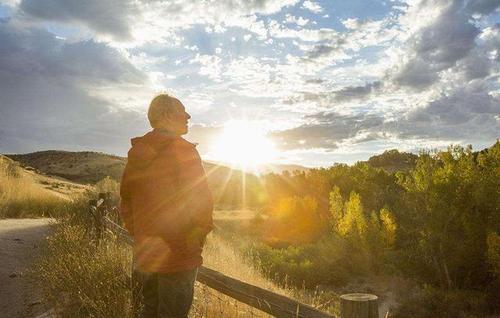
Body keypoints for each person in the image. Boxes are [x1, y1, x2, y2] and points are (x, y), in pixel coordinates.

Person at [119, 94, 214, 318]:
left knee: (148, 310)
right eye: (183, 111)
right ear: (167, 115)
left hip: (146, 253)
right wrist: (195, 240)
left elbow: (126, 200)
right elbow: (201, 200)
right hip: (178, 254)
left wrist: (141, 234)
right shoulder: (182, 150)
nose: (188, 116)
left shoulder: (137, 153)